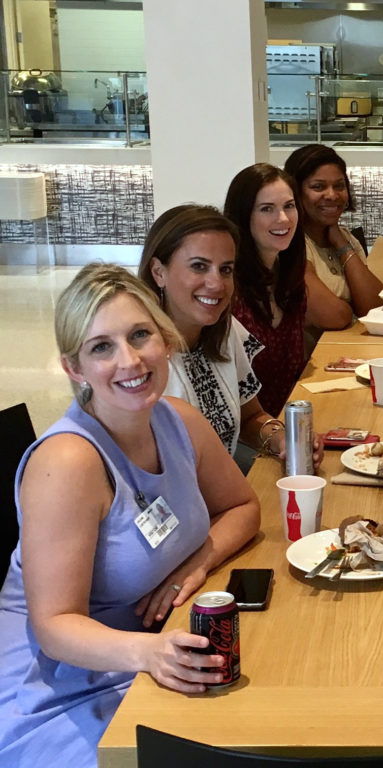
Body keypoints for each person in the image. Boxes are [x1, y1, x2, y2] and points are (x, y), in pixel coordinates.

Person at [0, 264, 260, 767]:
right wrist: (148, 652)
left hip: (156, 652)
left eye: (140, 335)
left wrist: (197, 563)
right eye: (102, 347)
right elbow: (54, 625)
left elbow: (242, 506)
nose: (131, 359)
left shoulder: (178, 419)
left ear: (164, 340)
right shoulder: (69, 462)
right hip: (61, 692)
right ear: (74, 368)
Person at [138, 204, 323, 471]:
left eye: (225, 270)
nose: (216, 284)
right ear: (158, 272)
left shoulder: (225, 330)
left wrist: (282, 439)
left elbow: (251, 417)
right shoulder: (137, 356)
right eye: (199, 266)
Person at [223, 163, 308, 416]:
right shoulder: (228, 288)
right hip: (247, 437)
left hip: (286, 421)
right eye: (266, 209)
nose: (282, 219)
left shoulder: (288, 278)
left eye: (289, 206)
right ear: (243, 216)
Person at [283, 143, 383, 346]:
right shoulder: (290, 243)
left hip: (347, 351)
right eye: (318, 187)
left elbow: (375, 309)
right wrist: (349, 311)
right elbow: (332, 316)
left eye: (339, 186)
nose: (332, 195)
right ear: (296, 192)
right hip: (308, 366)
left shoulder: (344, 237)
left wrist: (341, 244)